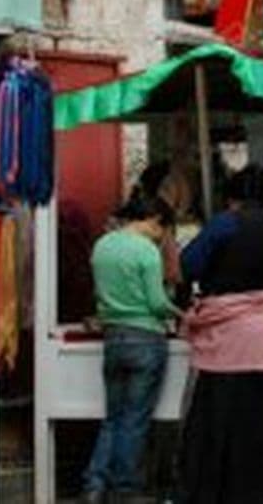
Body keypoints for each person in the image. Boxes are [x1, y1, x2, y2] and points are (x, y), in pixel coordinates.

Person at [179, 164, 263, 504]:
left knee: (218, 414)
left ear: (232, 199)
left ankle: (212, 489)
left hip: (227, 335)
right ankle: (256, 488)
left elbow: (189, 264)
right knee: (258, 414)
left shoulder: (223, 225)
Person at [84, 193, 179, 503]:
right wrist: (180, 313)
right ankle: (126, 488)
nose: (162, 237)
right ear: (154, 222)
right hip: (146, 339)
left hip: (113, 338)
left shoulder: (102, 245)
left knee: (112, 417)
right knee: (135, 418)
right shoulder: (147, 252)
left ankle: (95, 484)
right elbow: (156, 303)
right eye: (163, 230)